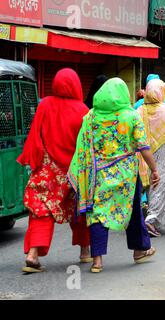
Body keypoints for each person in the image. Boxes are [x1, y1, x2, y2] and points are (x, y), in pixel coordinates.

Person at [68, 78, 160, 273]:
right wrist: (154, 169)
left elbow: (84, 146)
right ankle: (139, 250)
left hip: (98, 175)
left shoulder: (91, 117)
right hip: (126, 175)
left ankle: (97, 261)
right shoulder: (131, 116)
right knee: (133, 210)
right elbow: (143, 147)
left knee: (98, 214)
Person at [17, 68, 91, 273]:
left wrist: (33, 160)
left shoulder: (45, 104)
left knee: (41, 210)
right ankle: (85, 251)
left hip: (47, 169)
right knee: (80, 210)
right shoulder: (83, 110)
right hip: (73, 171)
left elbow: (35, 135)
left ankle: (33, 254)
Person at [137, 79, 165, 237]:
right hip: (163, 153)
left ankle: (146, 216)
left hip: (142, 153)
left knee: (148, 184)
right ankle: (151, 219)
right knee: (159, 185)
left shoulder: (139, 110)